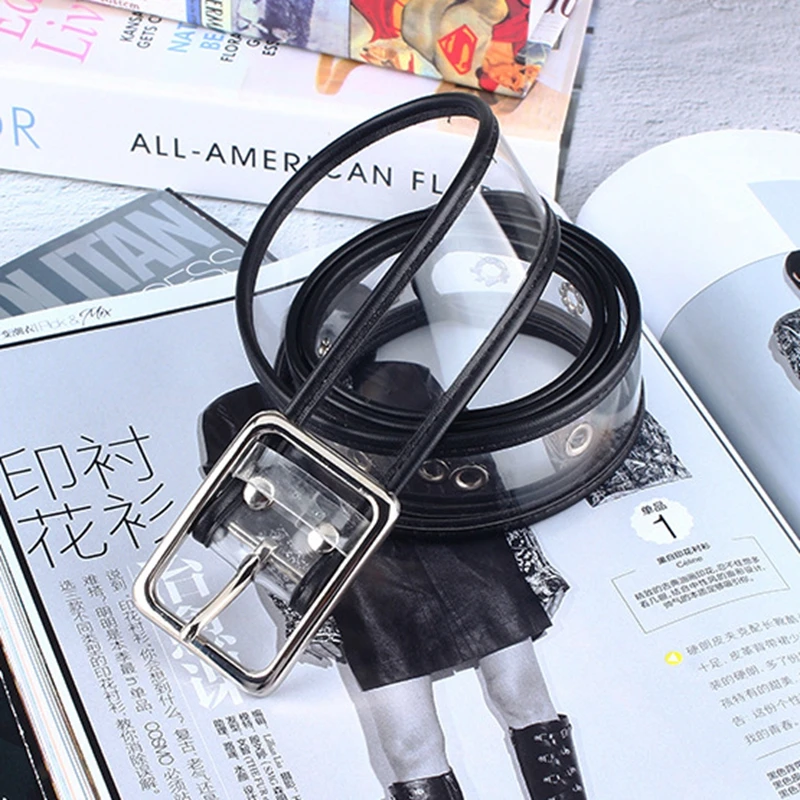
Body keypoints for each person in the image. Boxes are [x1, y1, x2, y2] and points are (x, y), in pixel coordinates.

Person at [199, 360, 587, 800]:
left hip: (464, 552)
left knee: (522, 695)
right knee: (409, 744)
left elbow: (478, 467)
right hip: (361, 584)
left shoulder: (404, 376)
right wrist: (299, 610)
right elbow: (246, 527)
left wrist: (526, 560)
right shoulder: (235, 413)